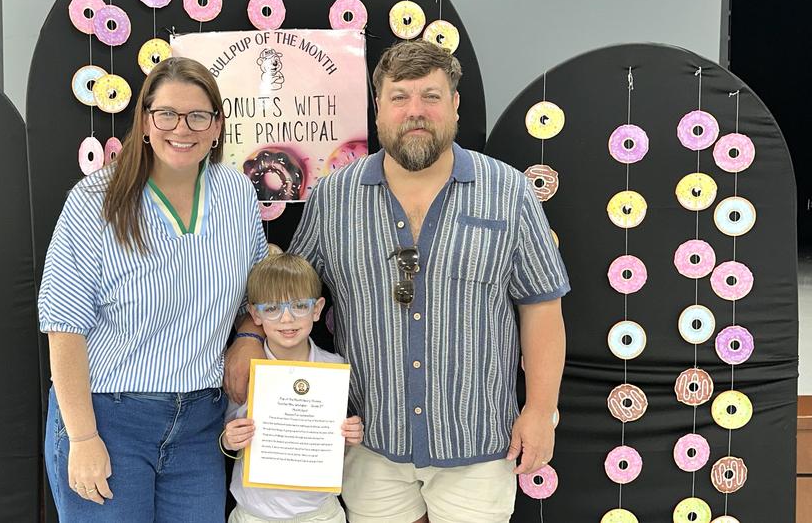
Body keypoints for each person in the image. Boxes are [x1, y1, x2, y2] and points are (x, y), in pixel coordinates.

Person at [226, 39, 570, 523]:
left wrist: (539, 411)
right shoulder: (334, 197)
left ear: (454, 105)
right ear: (378, 108)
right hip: (369, 440)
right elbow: (286, 290)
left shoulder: (508, 191)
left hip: (476, 439)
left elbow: (541, 308)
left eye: (430, 96)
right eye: (400, 97)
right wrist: (245, 336)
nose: (415, 111)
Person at [38, 57, 267, 522]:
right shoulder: (94, 200)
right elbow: (63, 327)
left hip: (200, 425)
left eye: (198, 115)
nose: (182, 129)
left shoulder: (236, 194)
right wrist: (82, 439)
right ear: (144, 120)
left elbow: (258, 290)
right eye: (166, 114)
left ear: (218, 126)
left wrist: (248, 336)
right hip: (109, 419)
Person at [221, 253, 364, 523]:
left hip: (320, 514)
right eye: (272, 308)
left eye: (299, 305)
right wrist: (230, 439)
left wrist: (350, 436)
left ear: (318, 309)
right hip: (255, 514)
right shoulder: (244, 370)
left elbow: (335, 446)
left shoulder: (334, 368)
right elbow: (227, 436)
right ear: (255, 314)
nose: (287, 319)